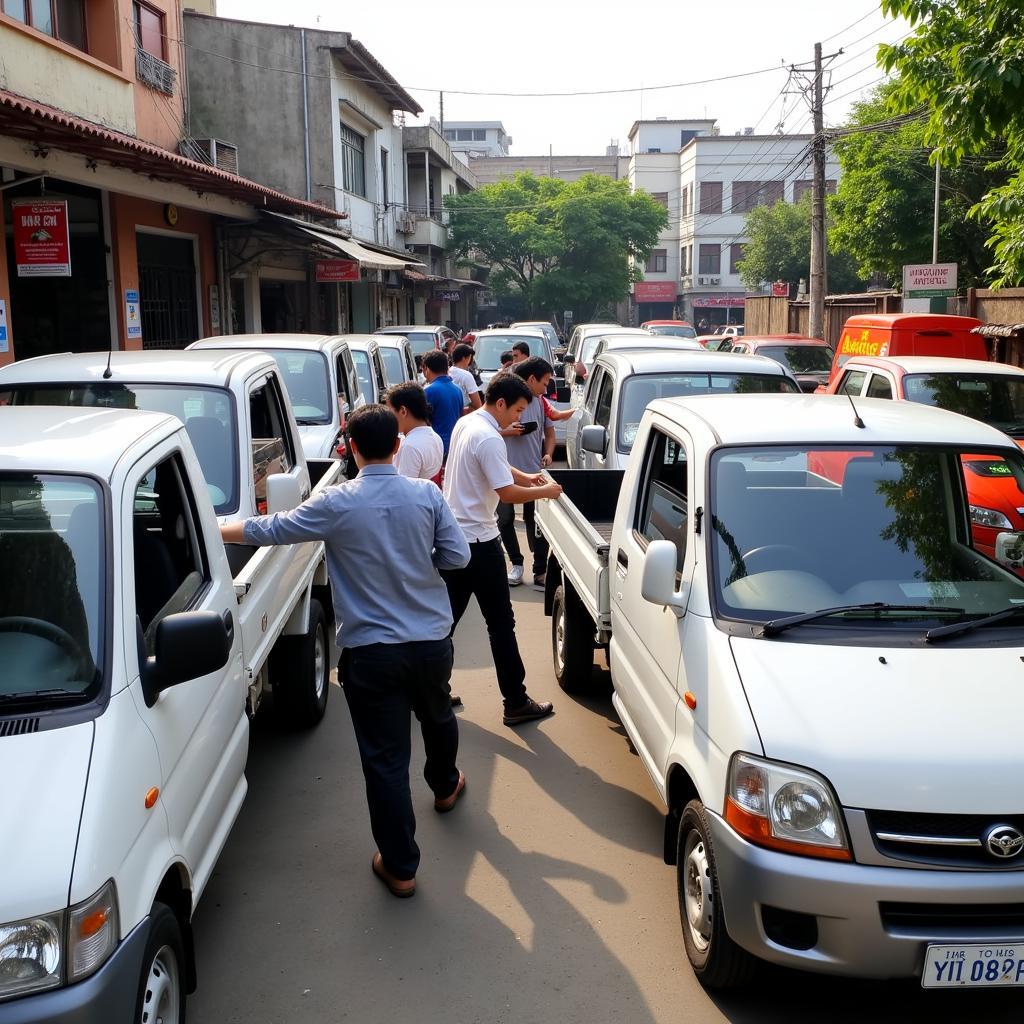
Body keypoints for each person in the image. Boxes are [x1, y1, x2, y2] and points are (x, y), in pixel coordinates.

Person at [219, 405, 470, 899]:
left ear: (351, 449)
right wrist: (422, 565)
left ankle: (400, 867)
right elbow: (458, 556)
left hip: (371, 652)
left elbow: (272, 529)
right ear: (398, 445)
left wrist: (216, 529)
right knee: (438, 714)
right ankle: (444, 786)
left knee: (385, 759)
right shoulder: (427, 495)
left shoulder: (336, 503)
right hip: (429, 642)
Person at [442, 373, 562, 726]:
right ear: (500, 404)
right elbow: (505, 493)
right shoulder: (490, 437)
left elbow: (496, 472)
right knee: (501, 625)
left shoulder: (469, 424)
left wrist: (527, 477)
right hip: (480, 545)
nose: (520, 419)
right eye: (519, 410)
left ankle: (432, 690)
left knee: (443, 623)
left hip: (455, 540)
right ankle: (516, 701)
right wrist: (544, 492)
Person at [498, 357, 556, 589]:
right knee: (505, 519)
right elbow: (488, 432)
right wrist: (507, 432)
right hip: (503, 472)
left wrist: (549, 454)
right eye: (544, 383)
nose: (546, 388)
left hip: (534, 472)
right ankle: (517, 564)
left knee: (536, 522)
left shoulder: (541, 402)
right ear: (531, 378)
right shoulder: (502, 401)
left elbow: (550, 433)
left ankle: (539, 570)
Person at [388, 382, 443, 481]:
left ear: (403, 411)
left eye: (390, 411)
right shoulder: (435, 437)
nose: (388, 417)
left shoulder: (409, 447)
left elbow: (405, 490)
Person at [421, 350, 464, 461]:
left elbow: (422, 423)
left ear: (427, 368)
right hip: (455, 446)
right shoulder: (457, 390)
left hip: (436, 448)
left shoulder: (428, 391)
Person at [449, 344, 483, 411]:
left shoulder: (447, 371)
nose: (471, 360)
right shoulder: (466, 375)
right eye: (470, 357)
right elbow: (478, 405)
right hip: (463, 415)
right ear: (463, 358)